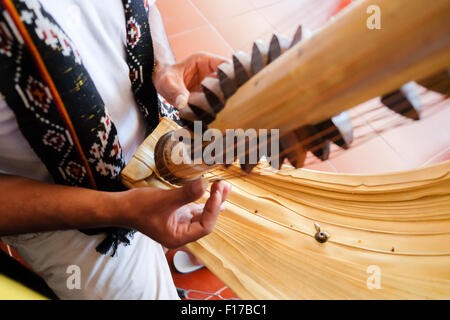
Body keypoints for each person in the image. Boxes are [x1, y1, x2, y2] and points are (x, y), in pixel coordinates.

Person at [0, 0, 231, 299]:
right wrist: (122, 209)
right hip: (70, 217)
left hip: (156, 141)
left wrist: (162, 65)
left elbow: (146, 9)